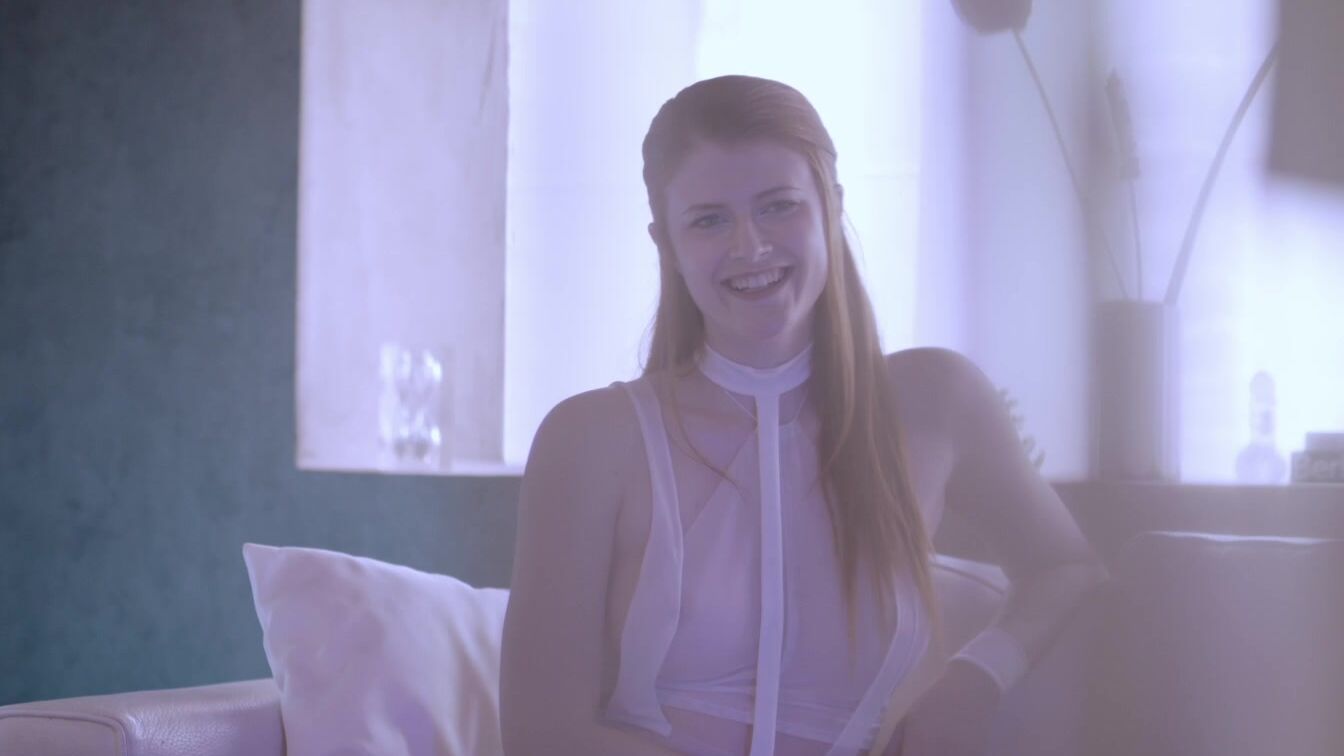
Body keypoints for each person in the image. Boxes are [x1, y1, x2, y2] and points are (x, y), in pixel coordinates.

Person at [500, 75, 1106, 756]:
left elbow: (1065, 567)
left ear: (832, 204)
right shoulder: (591, 438)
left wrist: (977, 677)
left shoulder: (937, 399)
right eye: (709, 220)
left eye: (778, 206)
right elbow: (538, 734)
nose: (749, 247)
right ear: (665, 242)